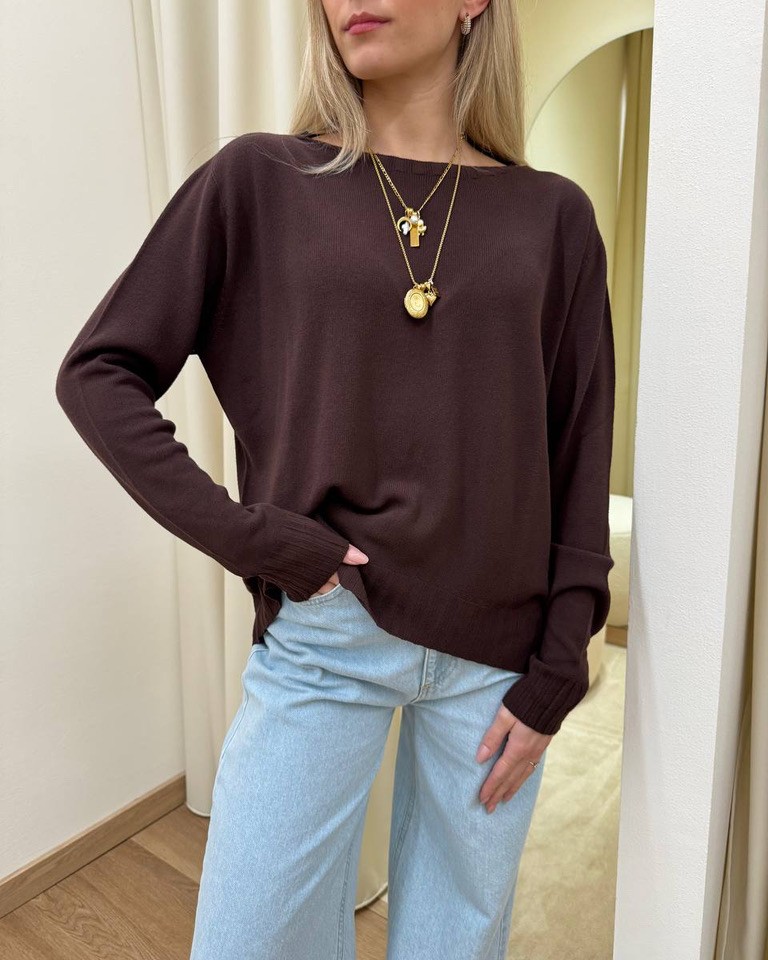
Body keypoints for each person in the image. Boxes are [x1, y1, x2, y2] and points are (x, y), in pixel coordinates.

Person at [55, 0, 615, 957]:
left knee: (456, 944)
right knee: (248, 939)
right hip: (329, 635)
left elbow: (577, 448)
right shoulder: (260, 181)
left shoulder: (553, 215)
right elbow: (98, 373)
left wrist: (561, 663)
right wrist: (256, 538)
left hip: (500, 662)